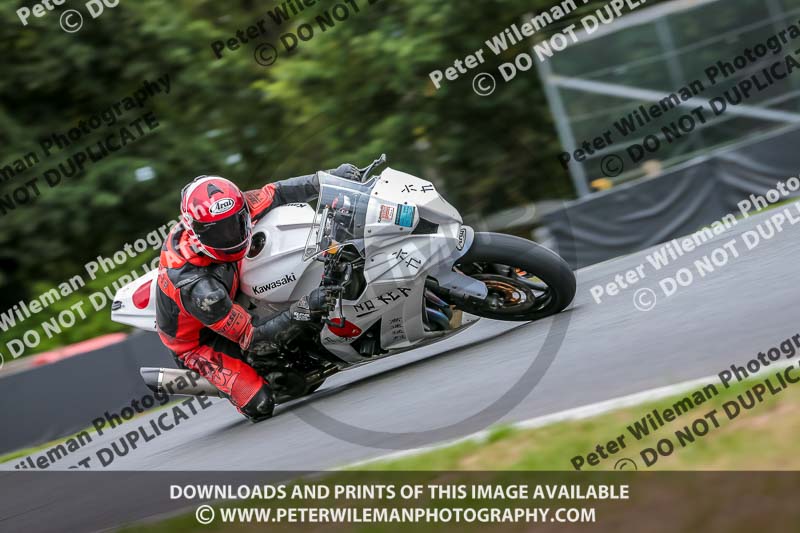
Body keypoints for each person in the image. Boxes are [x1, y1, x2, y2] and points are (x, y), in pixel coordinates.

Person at [155, 164, 361, 421]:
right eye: (219, 233)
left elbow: (276, 192)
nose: (232, 235)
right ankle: (222, 376)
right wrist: (308, 307)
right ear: (196, 234)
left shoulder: (232, 206)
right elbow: (253, 338)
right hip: (200, 341)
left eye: (236, 224)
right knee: (260, 404)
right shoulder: (198, 289)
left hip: (227, 282)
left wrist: (329, 179)